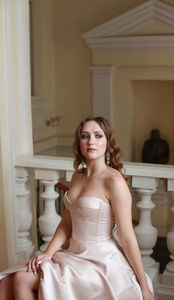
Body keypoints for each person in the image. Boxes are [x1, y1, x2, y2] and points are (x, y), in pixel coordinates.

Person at [0, 116, 154, 300]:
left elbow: (127, 237)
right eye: (85, 136)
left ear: (108, 142)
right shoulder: (77, 176)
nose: (91, 141)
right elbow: (66, 223)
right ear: (79, 142)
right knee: (6, 282)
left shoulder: (113, 181)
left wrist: (144, 287)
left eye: (98, 136)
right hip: (72, 255)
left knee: (21, 279)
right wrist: (48, 253)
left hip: (100, 261)